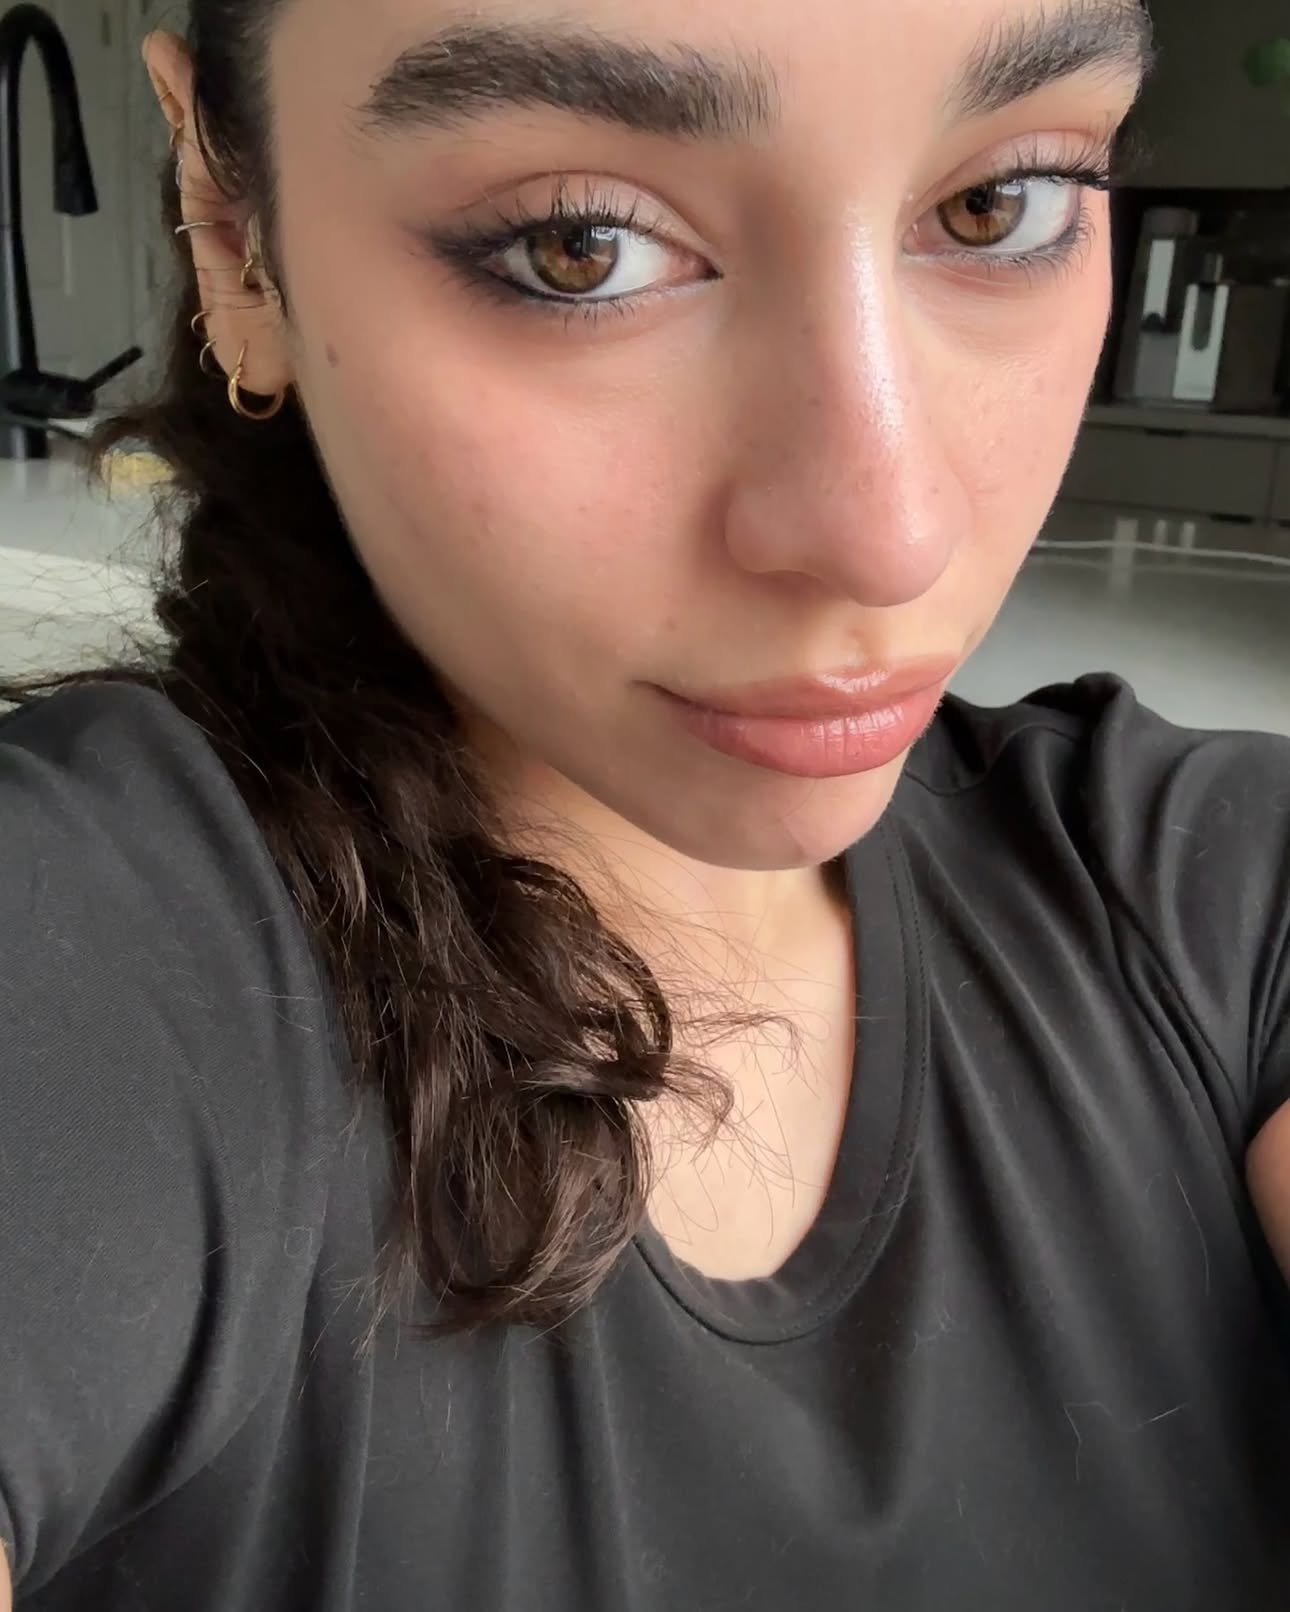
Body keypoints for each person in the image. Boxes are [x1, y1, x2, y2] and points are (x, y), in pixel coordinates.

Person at [1, 0, 1288, 1604]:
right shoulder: (91, 948)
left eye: (995, 205)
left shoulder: (1210, 889)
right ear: (231, 231)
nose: (886, 534)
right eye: (579, 248)